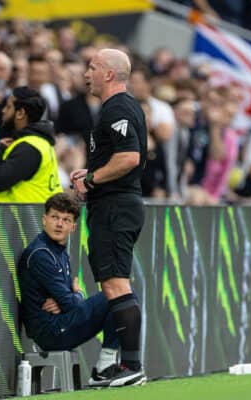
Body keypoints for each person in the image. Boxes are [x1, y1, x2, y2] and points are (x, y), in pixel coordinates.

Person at [70, 48, 147, 385]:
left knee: (116, 284)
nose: (86, 73)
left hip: (116, 206)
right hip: (115, 204)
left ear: (109, 74)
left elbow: (129, 157)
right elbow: (121, 157)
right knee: (112, 284)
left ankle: (131, 367)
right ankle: (123, 365)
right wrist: (93, 171)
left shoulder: (118, 107)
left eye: (92, 67)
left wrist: (91, 179)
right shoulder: (116, 108)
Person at [17, 193, 124, 388]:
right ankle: (105, 367)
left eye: (66, 220)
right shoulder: (40, 254)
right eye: (55, 217)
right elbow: (70, 302)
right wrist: (78, 294)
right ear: (44, 219)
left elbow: (67, 301)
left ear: (73, 227)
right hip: (50, 331)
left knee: (123, 299)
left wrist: (69, 298)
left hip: (59, 324)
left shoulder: (59, 252)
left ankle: (108, 364)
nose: (59, 224)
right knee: (116, 297)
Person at [0, 86, 62, 203]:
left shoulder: (28, 148)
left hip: (22, 220)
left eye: (8, 107)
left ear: (20, 113)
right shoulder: (40, 143)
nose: (3, 110)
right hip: (30, 219)